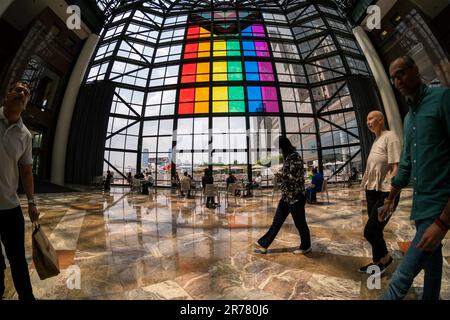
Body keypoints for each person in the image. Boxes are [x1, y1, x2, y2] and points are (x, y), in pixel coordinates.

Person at [379, 56, 450, 300]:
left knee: (401, 280)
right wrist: (390, 200)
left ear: (415, 70)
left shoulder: (442, 99)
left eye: (400, 74)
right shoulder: (409, 119)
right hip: (421, 208)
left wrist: (442, 223)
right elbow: (407, 165)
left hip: (439, 207)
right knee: (431, 264)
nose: (397, 81)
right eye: (393, 78)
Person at [0, 81, 38, 300]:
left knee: (17, 260)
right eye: (18, 89)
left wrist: (32, 202)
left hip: (10, 207)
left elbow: (26, 171)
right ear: (8, 95)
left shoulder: (25, 135)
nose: (22, 93)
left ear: (25, 105)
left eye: (26, 93)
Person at [358, 110, 401, 275]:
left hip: (385, 192)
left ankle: (386, 258)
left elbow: (396, 165)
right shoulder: (377, 139)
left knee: (370, 231)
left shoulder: (390, 137)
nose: (368, 122)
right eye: (366, 119)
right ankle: (377, 263)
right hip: (373, 190)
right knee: (375, 230)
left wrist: (391, 196)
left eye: (371, 118)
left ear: (381, 119)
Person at [255, 136, 311, 255]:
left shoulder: (295, 157)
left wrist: (278, 173)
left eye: (279, 148)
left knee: (300, 223)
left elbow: (294, 179)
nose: (279, 151)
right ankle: (264, 244)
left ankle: (306, 246)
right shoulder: (288, 158)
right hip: (287, 197)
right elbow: (289, 176)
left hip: (296, 197)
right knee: (277, 222)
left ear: (284, 146)